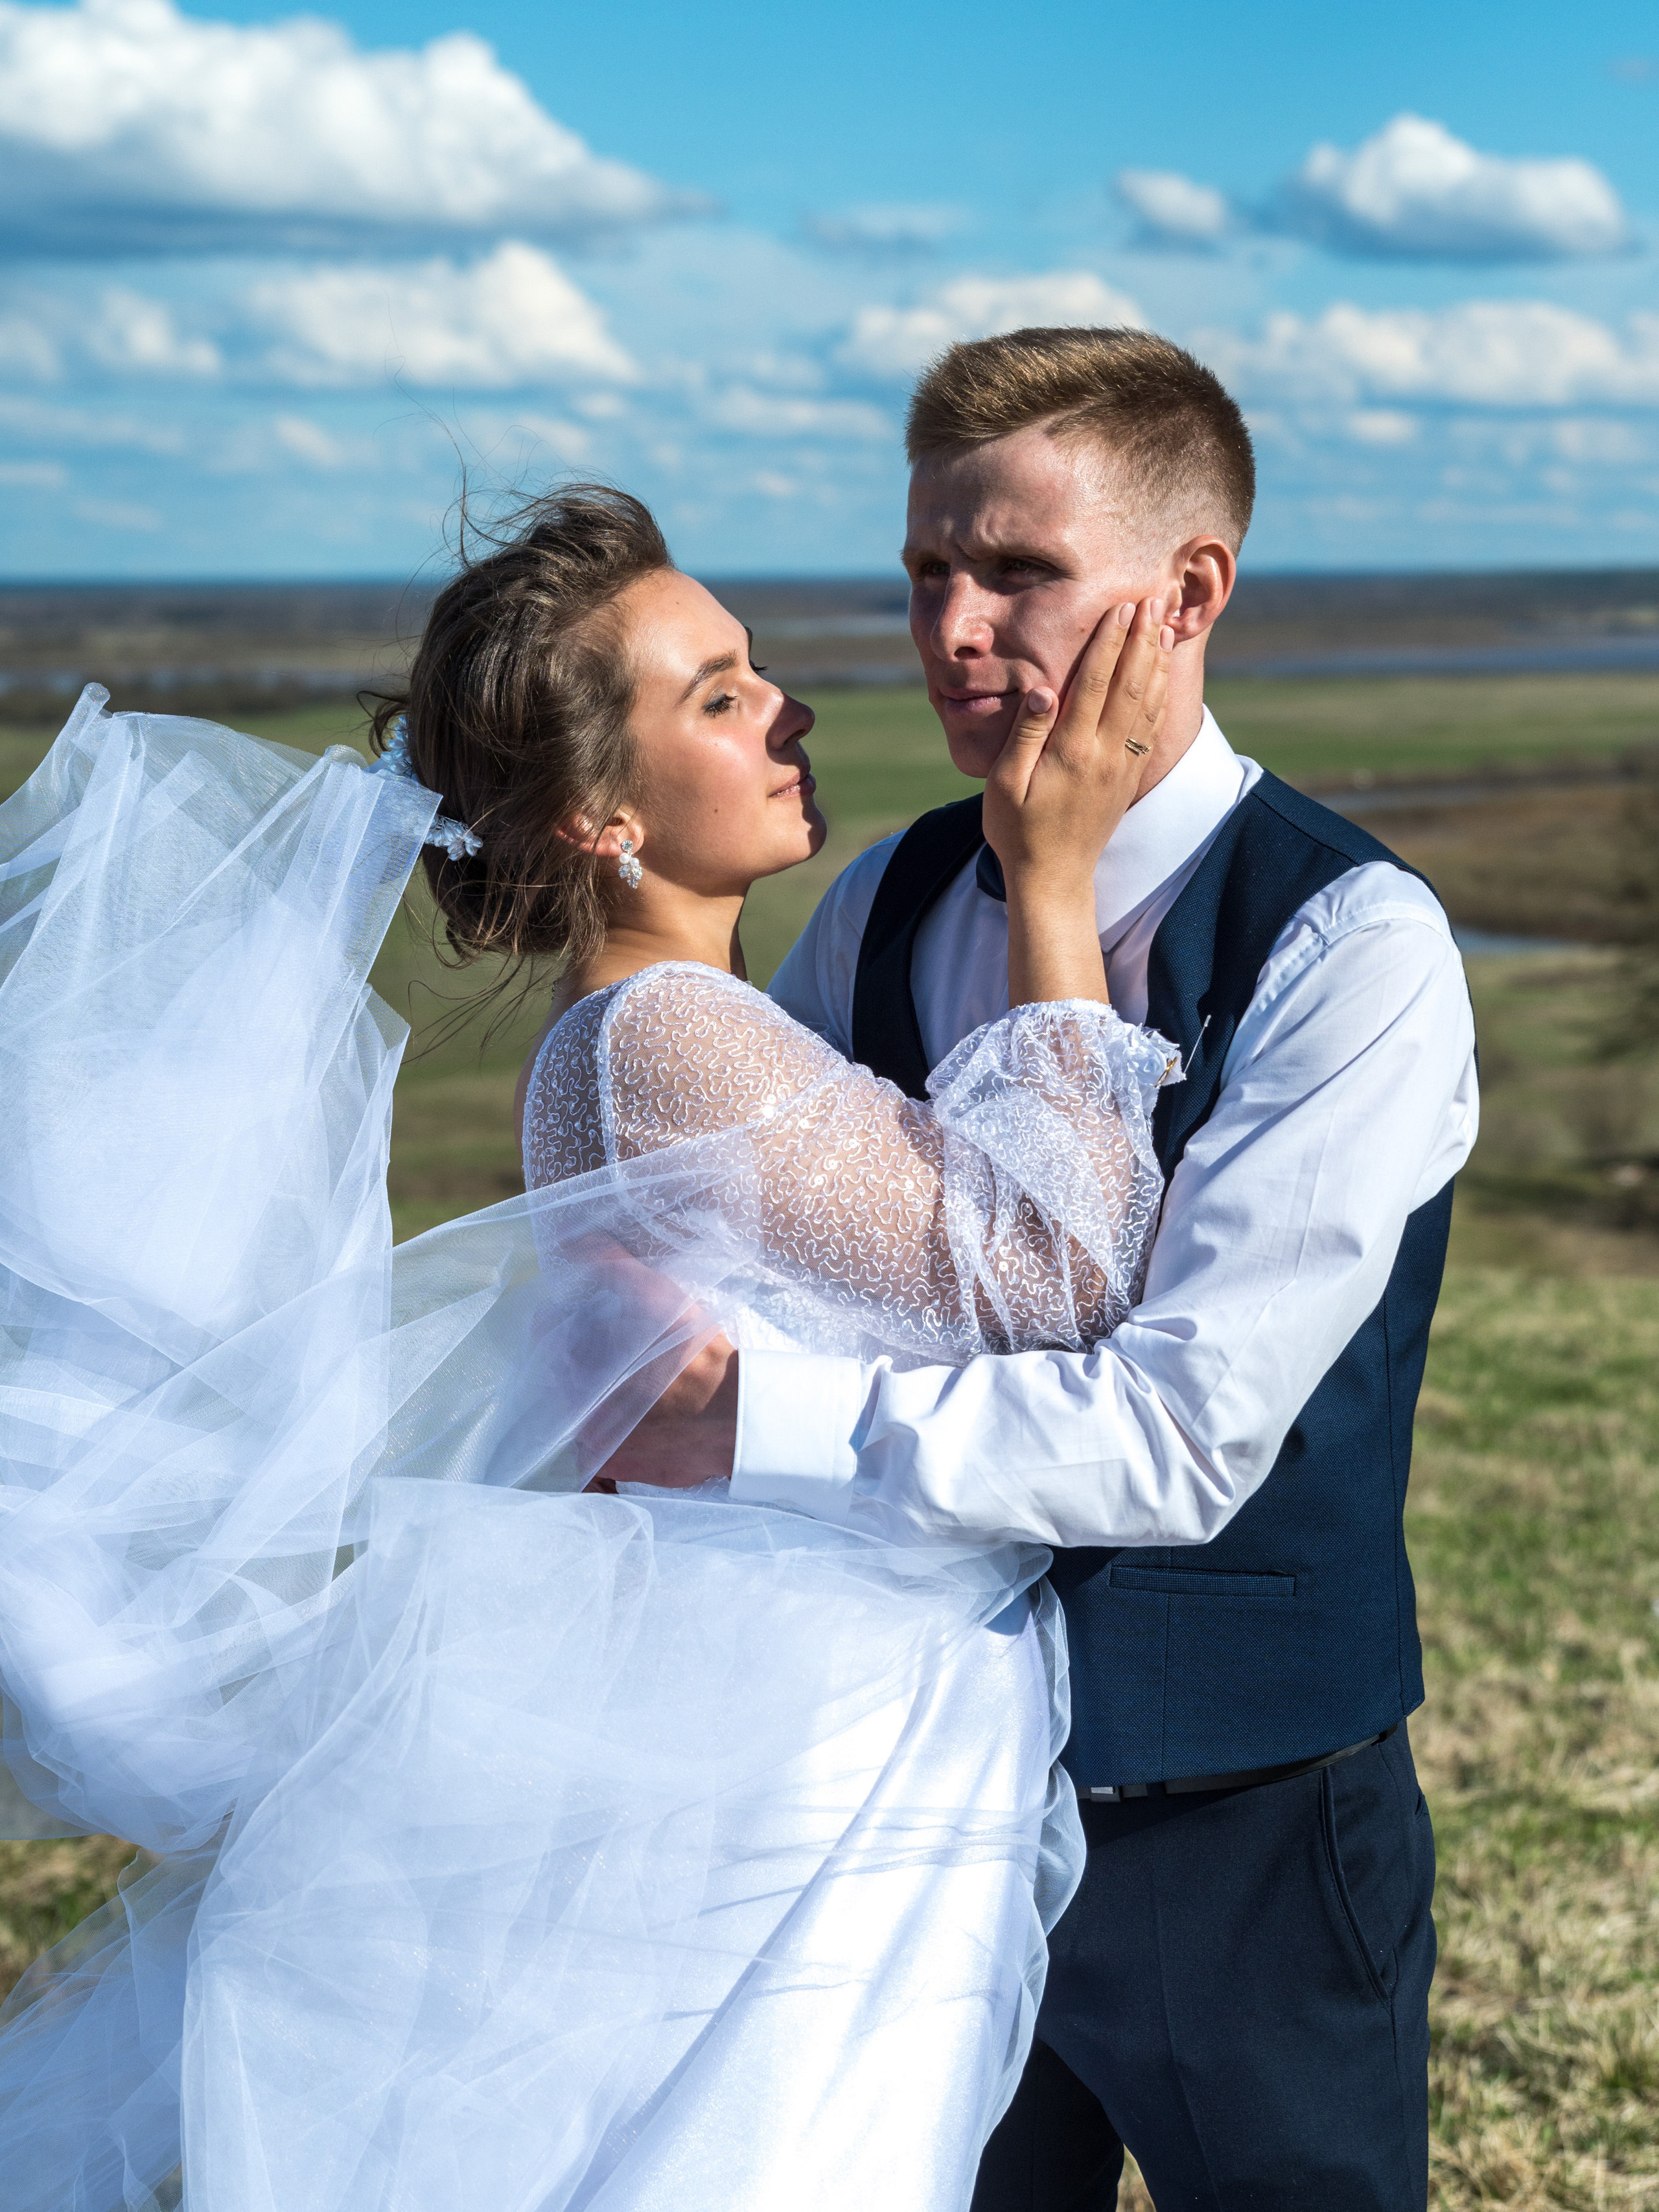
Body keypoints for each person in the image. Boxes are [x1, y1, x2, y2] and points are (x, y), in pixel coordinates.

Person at [0, 485, 1183, 2212]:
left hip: (790, 1710)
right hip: (805, 1745)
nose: (788, 706)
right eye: (716, 695)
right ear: (597, 815)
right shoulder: (668, 1037)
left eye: (759, 667)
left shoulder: (639, 1033)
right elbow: (1052, 1274)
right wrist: (1057, 879)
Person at [612, 329, 1479, 2211]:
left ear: (1189, 595)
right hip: (908, 1804)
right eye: (929, 570)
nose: (953, 629)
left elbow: (1177, 1437)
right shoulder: (895, 895)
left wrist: (750, 1428)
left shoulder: (1357, 944)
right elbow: (793, 1276)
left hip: (1239, 1823)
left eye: (1019, 571)